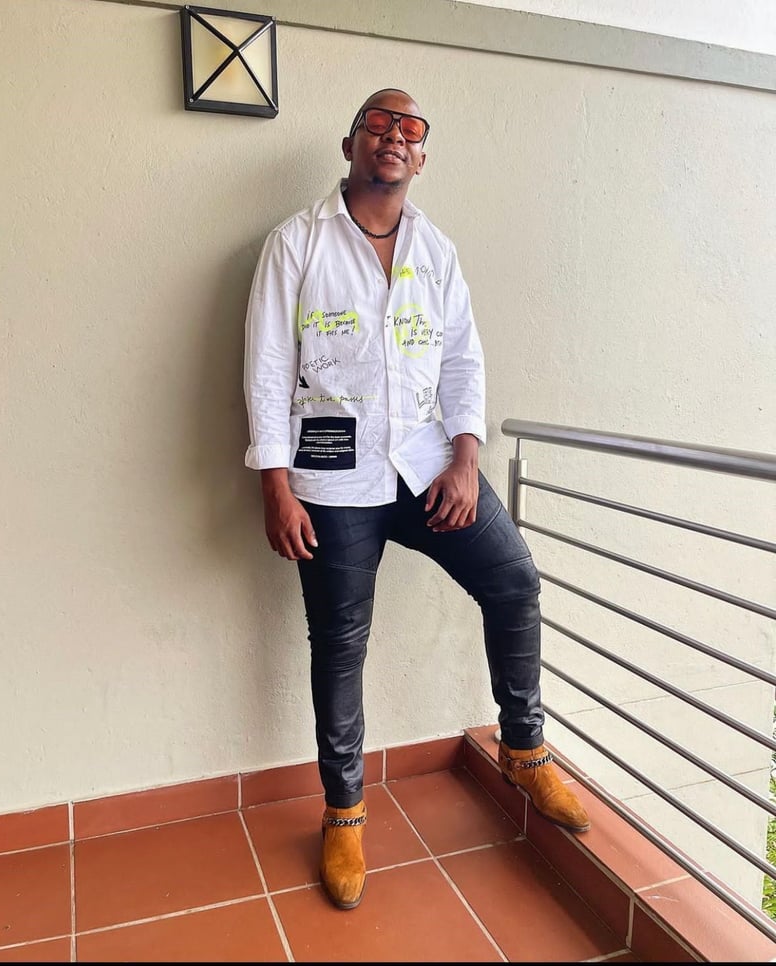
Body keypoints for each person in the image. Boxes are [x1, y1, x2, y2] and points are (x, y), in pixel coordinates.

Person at [242, 87, 590, 911]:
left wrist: (467, 459)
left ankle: (525, 750)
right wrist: (275, 486)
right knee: (340, 643)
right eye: (377, 123)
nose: (393, 136)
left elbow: (463, 359)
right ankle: (344, 812)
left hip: (429, 465)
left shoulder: (436, 250)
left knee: (513, 580)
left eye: (409, 129)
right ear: (350, 145)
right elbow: (266, 366)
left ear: (421, 157)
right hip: (333, 479)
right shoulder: (296, 243)